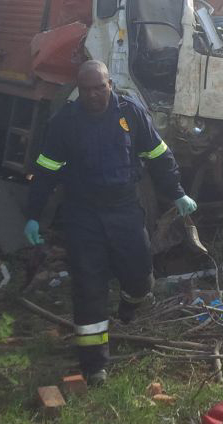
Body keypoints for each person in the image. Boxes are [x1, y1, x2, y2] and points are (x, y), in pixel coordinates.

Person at [24, 60, 197, 384]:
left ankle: (130, 306)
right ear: (79, 89)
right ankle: (94, 365)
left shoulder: (130, 114)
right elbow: (46, 170)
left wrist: (176, 193)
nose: (93, 94)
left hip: (124, 210)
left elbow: (159, 156)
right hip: (82, 213)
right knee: (89, 287)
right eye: (86, 89)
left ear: (110, 85)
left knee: (139, 274)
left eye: (99, 87)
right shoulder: (65, 122)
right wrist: (33, 215)